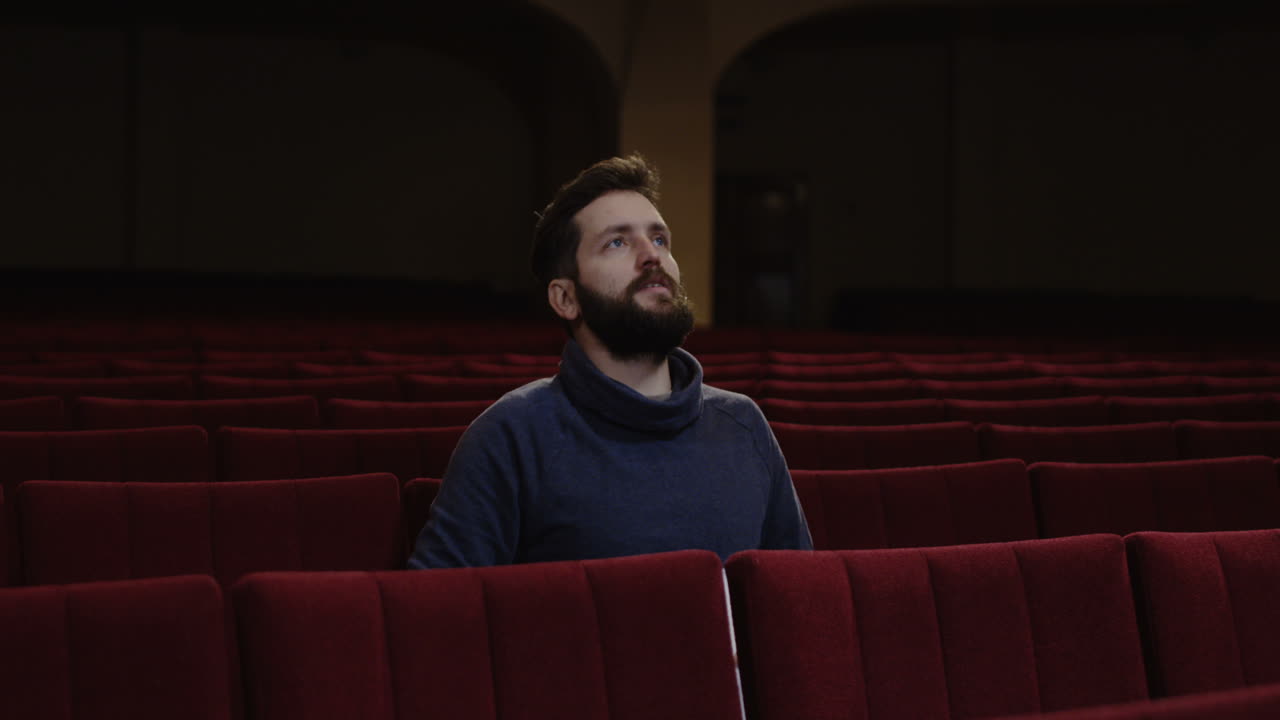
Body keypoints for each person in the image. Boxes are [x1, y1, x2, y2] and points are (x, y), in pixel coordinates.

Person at [409, 153, 811, 568]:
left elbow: (793, 591)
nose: (651, 255)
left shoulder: (744, 425)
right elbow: (438, 600)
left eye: (659, 239)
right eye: (617, 242)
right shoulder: (510, 435)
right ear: (565, 298)